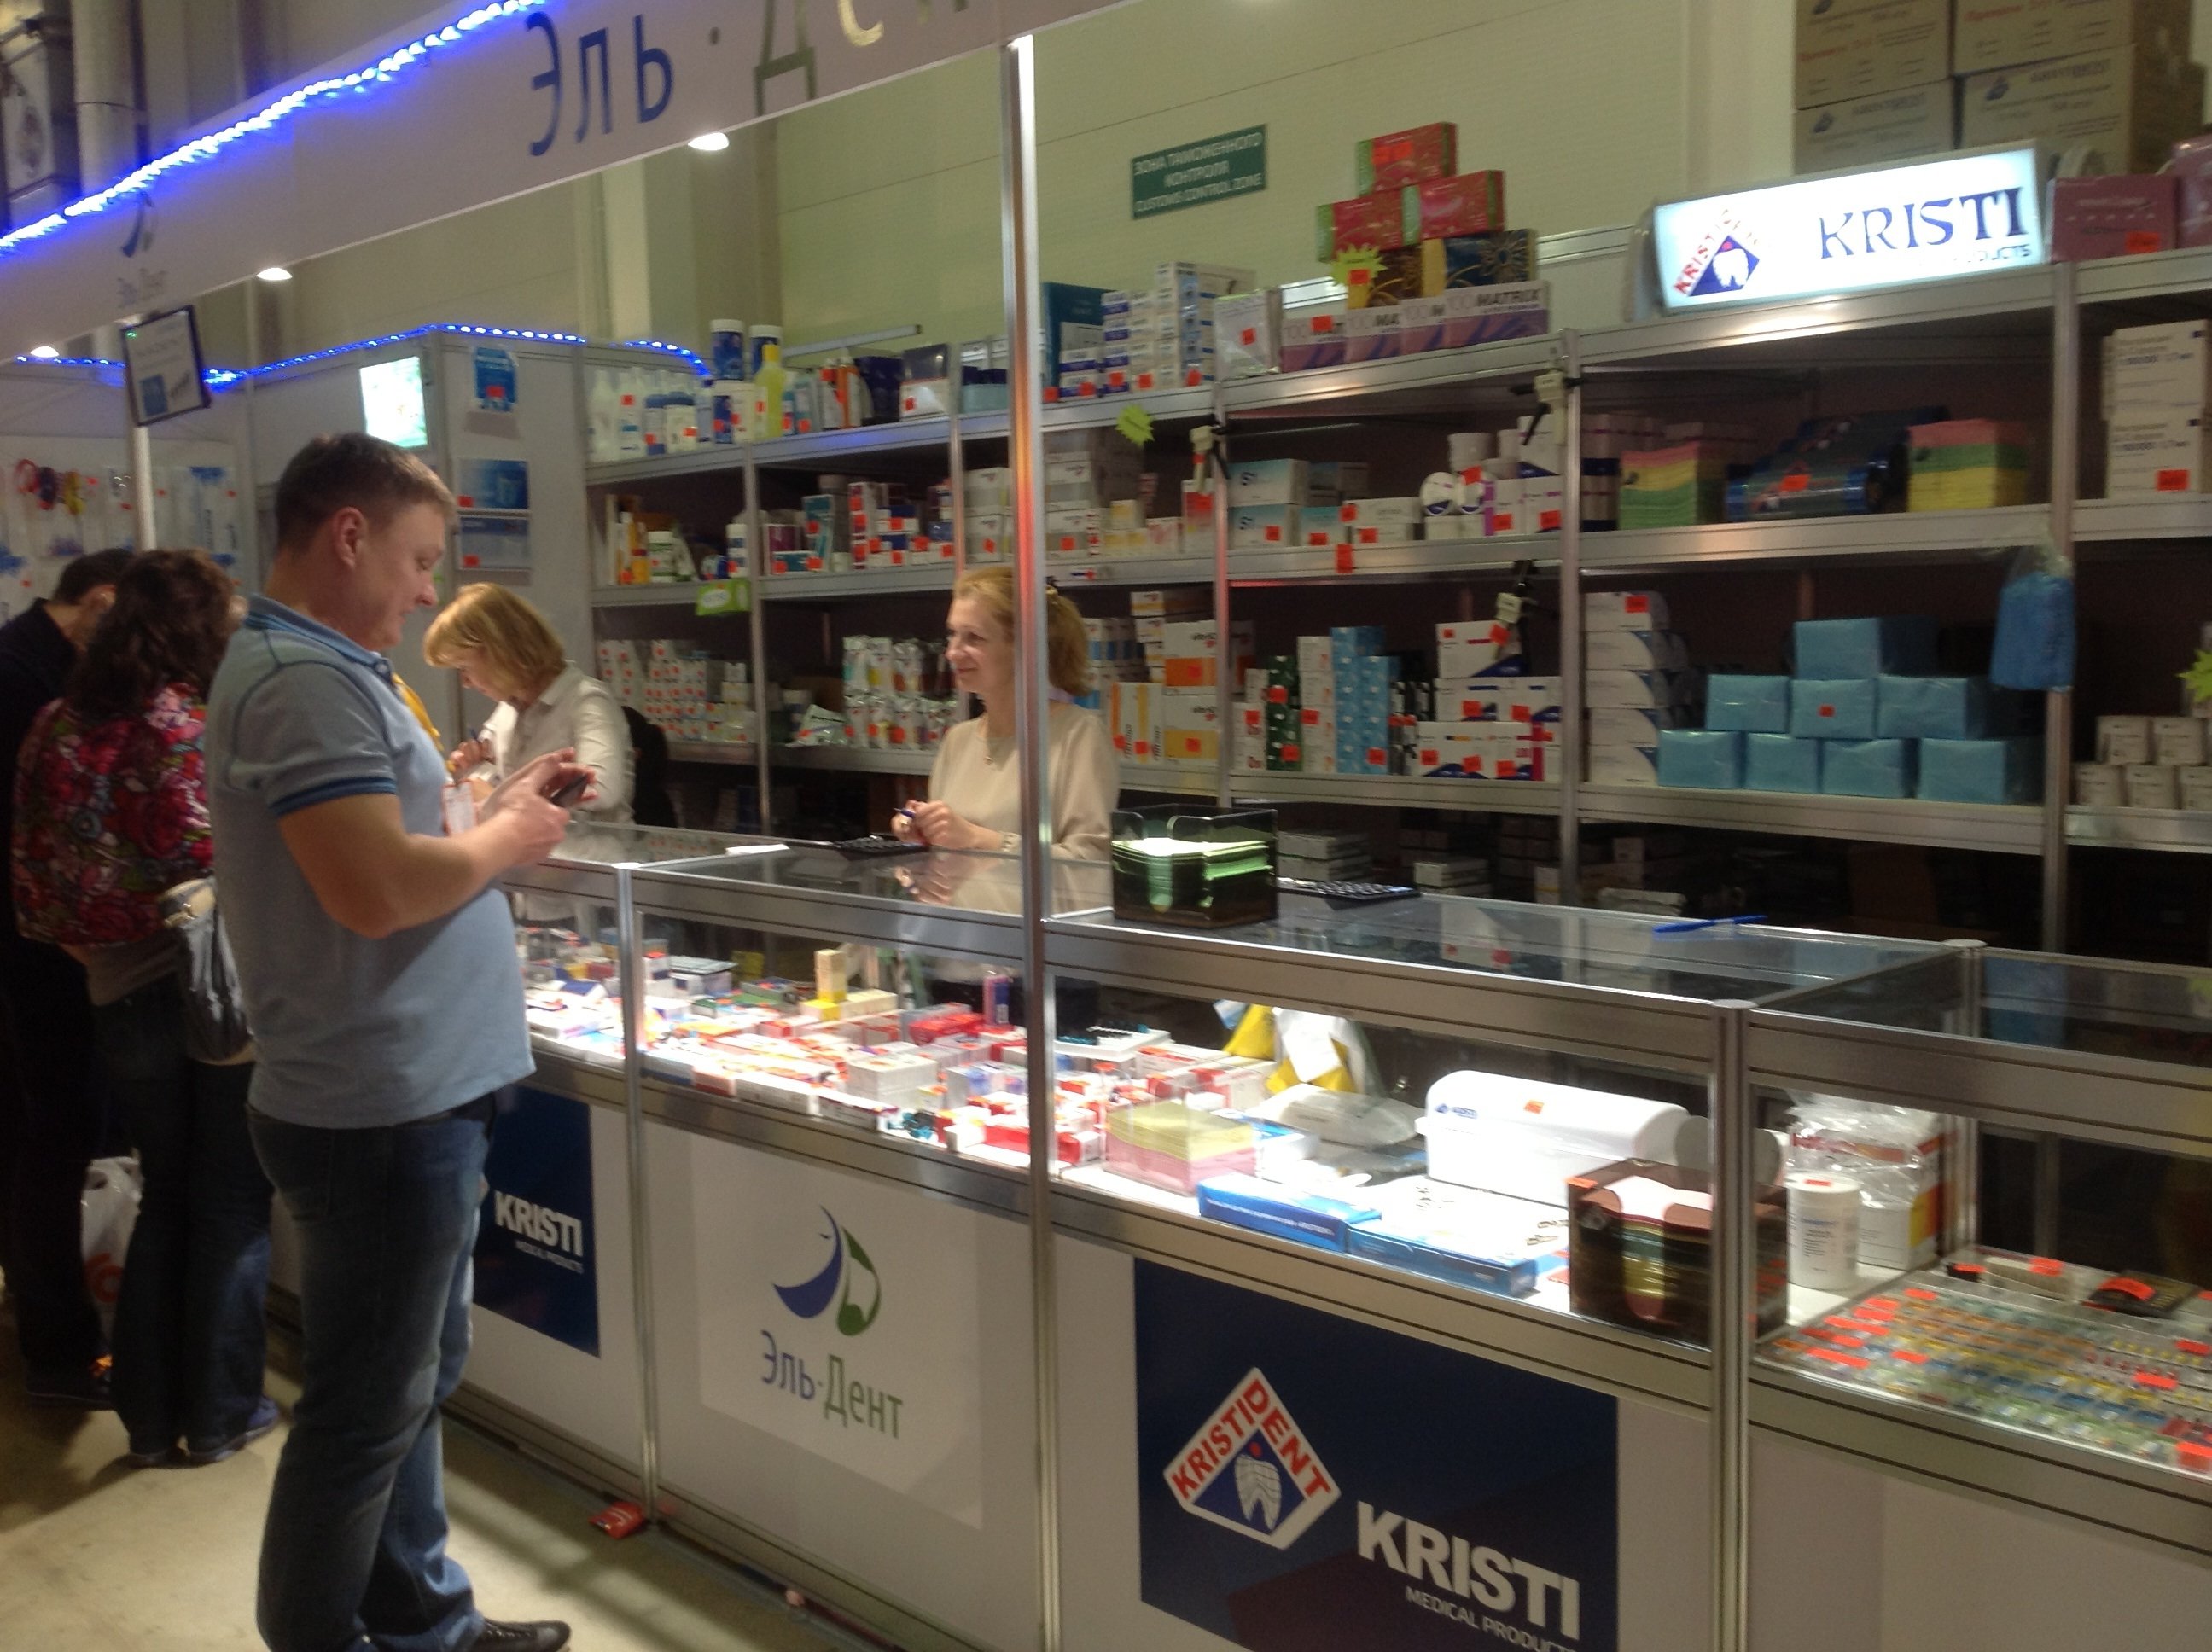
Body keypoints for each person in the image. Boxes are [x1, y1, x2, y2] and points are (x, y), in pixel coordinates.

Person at [206, 433, 585, 1652]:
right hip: (379, 1105)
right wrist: (508, 842)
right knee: (365, 1410)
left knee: (404, 1386)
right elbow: (372, 891)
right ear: (349, 536)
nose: (429, 590)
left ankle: (422, 1620)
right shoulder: (301, 679)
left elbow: (388, 848)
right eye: (420, 560)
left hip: (405, 1092)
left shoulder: (323, 667)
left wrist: (493, 814)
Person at [12, 550, 276, 1468]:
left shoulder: (56, 722)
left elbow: (31, 876)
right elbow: (237, 860)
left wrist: (97, 953)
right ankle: (223, 1410)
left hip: (115, 989)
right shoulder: (190, 723)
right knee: (233, 1198)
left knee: (166, 1191)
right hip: (217, 987)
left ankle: (150, 1417)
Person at [0, 546, 134, 1406]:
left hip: (38, 947)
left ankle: (47, 1318)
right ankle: (58, 1344)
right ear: (100, 600)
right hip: (38, 957)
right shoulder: (25, 684)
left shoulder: (33, 667)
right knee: (51, 1139)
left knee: (36, 1137)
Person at [892, 565, 1116, 860]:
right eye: (953, 634)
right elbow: (948, 856)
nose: (952, 653)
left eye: (974, 638)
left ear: (1025, 648)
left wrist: (979, 839)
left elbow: (1090, 862)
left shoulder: (1078, 735)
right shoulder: (958, 740)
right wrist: (923, 832)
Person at [425, 583, 633, 824]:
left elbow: (601, 791)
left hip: (589, 847)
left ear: (499, 652)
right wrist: (472, 769)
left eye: (465, 668)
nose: (465, 683)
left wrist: (497, 796)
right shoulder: (507, 710)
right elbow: (482, 782)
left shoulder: (587, 701)